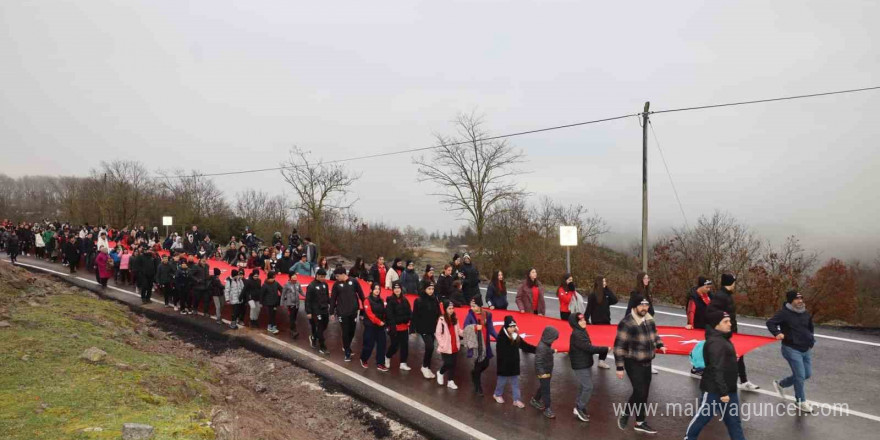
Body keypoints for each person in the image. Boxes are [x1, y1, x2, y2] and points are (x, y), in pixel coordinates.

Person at [684, 310, 747, 440]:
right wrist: (724, 393)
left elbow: (721, 361)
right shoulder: (715, 342)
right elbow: (715, 369)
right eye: (725, 321)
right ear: (715, 325)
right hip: (715, 389)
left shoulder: (723, 338)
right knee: (703, 417)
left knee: (734, 422)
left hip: (729, 388)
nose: (730, 324)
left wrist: (730, 359)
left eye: (729, 320)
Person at [614, 295, 666, 434]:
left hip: (647, 361)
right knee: (639, 391)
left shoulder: (649, 319)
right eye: (642, 305)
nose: (644, 308)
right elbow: (619, 347)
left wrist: (660, 344)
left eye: (647, 305)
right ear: (634, 306)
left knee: (644, 394)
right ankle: (625, 413)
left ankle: (640, 422)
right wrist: (619, 367)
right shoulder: (627, 323)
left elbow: (654, 334)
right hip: (632, 362)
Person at [767, 290, 817, 413]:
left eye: (801, 298)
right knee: (800, 376)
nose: (800, 301)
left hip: (805, 349)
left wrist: (811, 341)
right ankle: (800, 401)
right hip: (791, 349)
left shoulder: (805, 313)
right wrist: (777, 333)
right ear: (791, 300)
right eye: (797, 299)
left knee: (807, 374)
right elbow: (770, 323)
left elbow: (810, 328)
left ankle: (781, 384)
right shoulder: (784, 313)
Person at [709, 273, 760, 391]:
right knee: (724, 358)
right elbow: (712, 313)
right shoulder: (720, 296)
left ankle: (743, 381)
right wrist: (720, 330)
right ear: (730, 283)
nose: (735, 284)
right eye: (734, 282)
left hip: (732, 331)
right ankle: (717, 382)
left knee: (739, 354)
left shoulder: (727, 295)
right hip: (724, 333)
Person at [569, 313, 610, 422]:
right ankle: (579, 408)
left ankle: (579, 406)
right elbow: (589, 348)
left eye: (584, 320)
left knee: (584, 386)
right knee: (588, 387)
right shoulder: (577, 334)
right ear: (575, 323)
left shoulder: (582, 331)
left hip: (585, 363)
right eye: (581, 321)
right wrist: (605, 349)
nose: (584, 322)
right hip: (580, 365)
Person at [493, 316, 536, 408]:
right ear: (506, 327)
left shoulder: (515, 336)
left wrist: (537, 350)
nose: (513, 328)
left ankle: (516, 400)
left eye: (514, 326)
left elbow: (525, 346)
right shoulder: (501, 338)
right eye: (511, 327)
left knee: (515, 383)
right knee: (502, 381)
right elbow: (501, 354)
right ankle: (497, 394)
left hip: (513, 364)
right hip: (504, 365)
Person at [462, 298, 498, 395]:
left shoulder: (487, 315)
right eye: (471, 306)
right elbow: (465, 328)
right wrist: (474, 327)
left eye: (474, 306)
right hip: (477, 345)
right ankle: (478, 387)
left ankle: (474, 373)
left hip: (486, 344)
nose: (472, 308)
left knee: (486, 364)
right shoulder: (470, 316)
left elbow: (491, 328)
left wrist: (499, 338)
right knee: (478, 366)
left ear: (480, 305)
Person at [330, 267, 365, 361]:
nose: (336, 278)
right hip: (342, 312)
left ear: (343, 274)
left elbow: (361, 294)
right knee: (345, 331)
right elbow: (333, 298)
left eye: (337, 276)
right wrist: (331, 312)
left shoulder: (354, 281)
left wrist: (365, 307)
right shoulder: (336, 284)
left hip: (353, 311)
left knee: (352, 331)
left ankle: (347, 345)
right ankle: (347, 352)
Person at [412, 281, 441, 379]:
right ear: (424, 289)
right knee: (430, 347)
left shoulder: (434, 299)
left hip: (432, 328)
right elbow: (414, 315)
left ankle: (427, 367)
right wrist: (412, 330)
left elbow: (439, 313)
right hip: (423, 327)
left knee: (431, 348)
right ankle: (424, 367)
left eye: (432, 289)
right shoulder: (419, 301)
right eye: (429, 289)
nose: (431, 291)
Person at [686, 276, 715, 376]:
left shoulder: (710, 295)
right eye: (707, 287)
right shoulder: (694, 297)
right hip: (698, 325)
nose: (709, 289)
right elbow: (691, 311)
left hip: (709, 325)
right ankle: (696, 367)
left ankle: (706, 366)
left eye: (709, 287)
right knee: (698, 348)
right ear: (701, 286)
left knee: (708, 347)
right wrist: (690, 324)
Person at [529, 327, 560, 419]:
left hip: (547, 370)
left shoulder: (546, 344)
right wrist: (543, 374)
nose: (554, 341)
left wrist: (552, 351)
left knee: (543, 387)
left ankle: (535, 400)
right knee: (546, 390)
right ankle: (547, 408)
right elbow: (538, 362)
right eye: (554, 338)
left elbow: (546, 351)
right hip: (544, 372)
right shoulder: (542, 347)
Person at [360, 282, 389, 371]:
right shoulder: (367, 300)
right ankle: (363, 359)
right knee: (369, 344)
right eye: (375, 289)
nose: (377, 291)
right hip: (370, 326)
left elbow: (384, 312)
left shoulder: (381, 300)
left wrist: (385, 322)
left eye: (378, 289)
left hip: (380, 326)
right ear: (371, 290)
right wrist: (378, 321)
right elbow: (369, 314)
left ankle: (380, 363)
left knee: (382, 344)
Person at [385, 281, 412, 371]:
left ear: (401, 289)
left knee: (405, 345)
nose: (397, 290)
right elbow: (390, 316)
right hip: (395, 327)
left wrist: (408, 320)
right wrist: (392, 327)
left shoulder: (405, 300)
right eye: (395, 288)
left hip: (404, 327)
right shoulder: (390, 301)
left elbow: (409, 312)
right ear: (393, 290)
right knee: (394, 346)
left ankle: (403, 363)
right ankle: (387, 356)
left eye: (398, 288)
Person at [434, 299, 461, 389]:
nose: (451, 310)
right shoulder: (441, 320)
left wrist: (467, 332)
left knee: (453, 364)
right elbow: (438, 333)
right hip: (446, 346)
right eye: (449, 308)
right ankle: (440, 372)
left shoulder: (455, 319)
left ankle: (450, 381)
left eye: (452, 308)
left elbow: (458, 331)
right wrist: (442, 344)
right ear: (445, 309)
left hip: (454, 345)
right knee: (448, 363)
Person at [305, 268, 330, 354]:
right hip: (316, 310)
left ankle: (313, 337)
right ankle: (322, 347)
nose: (323, 278)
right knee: (319, 328)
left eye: (324, 277)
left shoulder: (325, 285)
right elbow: (307, 300)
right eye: (321, 276)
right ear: (317, 275)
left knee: (325, 325)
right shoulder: (311, 286)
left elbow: (327, 297)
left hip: (325, 309)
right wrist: (308, 312)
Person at [281, 273, 302, 338]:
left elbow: (301, 291)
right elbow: (283, 294)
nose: (295, 280)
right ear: (290, 278)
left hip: (297, 303)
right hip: (290, 304)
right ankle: (293, 331)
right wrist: (281, 303)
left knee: (294, 317)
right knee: (292, 317)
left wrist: (306, 296)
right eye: (293, 278)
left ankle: (292, 328)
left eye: (296, 278)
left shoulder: (298, 283)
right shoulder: (287, 285)